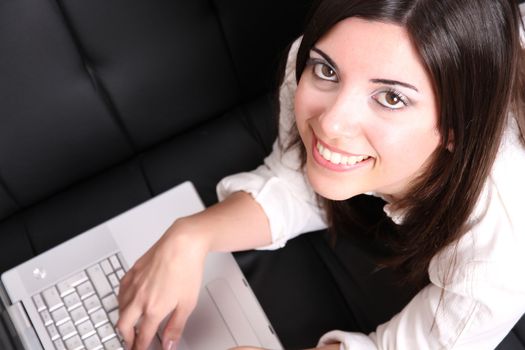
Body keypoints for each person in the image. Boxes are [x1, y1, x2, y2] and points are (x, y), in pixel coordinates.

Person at [116, 0, 525, 349]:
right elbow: (300, 178)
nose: (331, 123)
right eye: (328, 73)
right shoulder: (330, 57)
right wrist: (190, 235)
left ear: (457, 128)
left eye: (391, 97)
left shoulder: (502, 243)